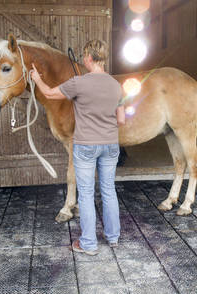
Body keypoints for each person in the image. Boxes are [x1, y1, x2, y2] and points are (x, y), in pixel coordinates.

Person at [31, 39, 125, 256]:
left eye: (84, 57)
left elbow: (49, 93)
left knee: (85, 194)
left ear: (89, 58)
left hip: (86, 146)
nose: (83, 60)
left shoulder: (79, 82)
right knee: (109, 191)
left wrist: (36, 79)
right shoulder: (115, 85)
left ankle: (89, 245)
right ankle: (113, 237)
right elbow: (121, 119)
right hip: (110, 145)